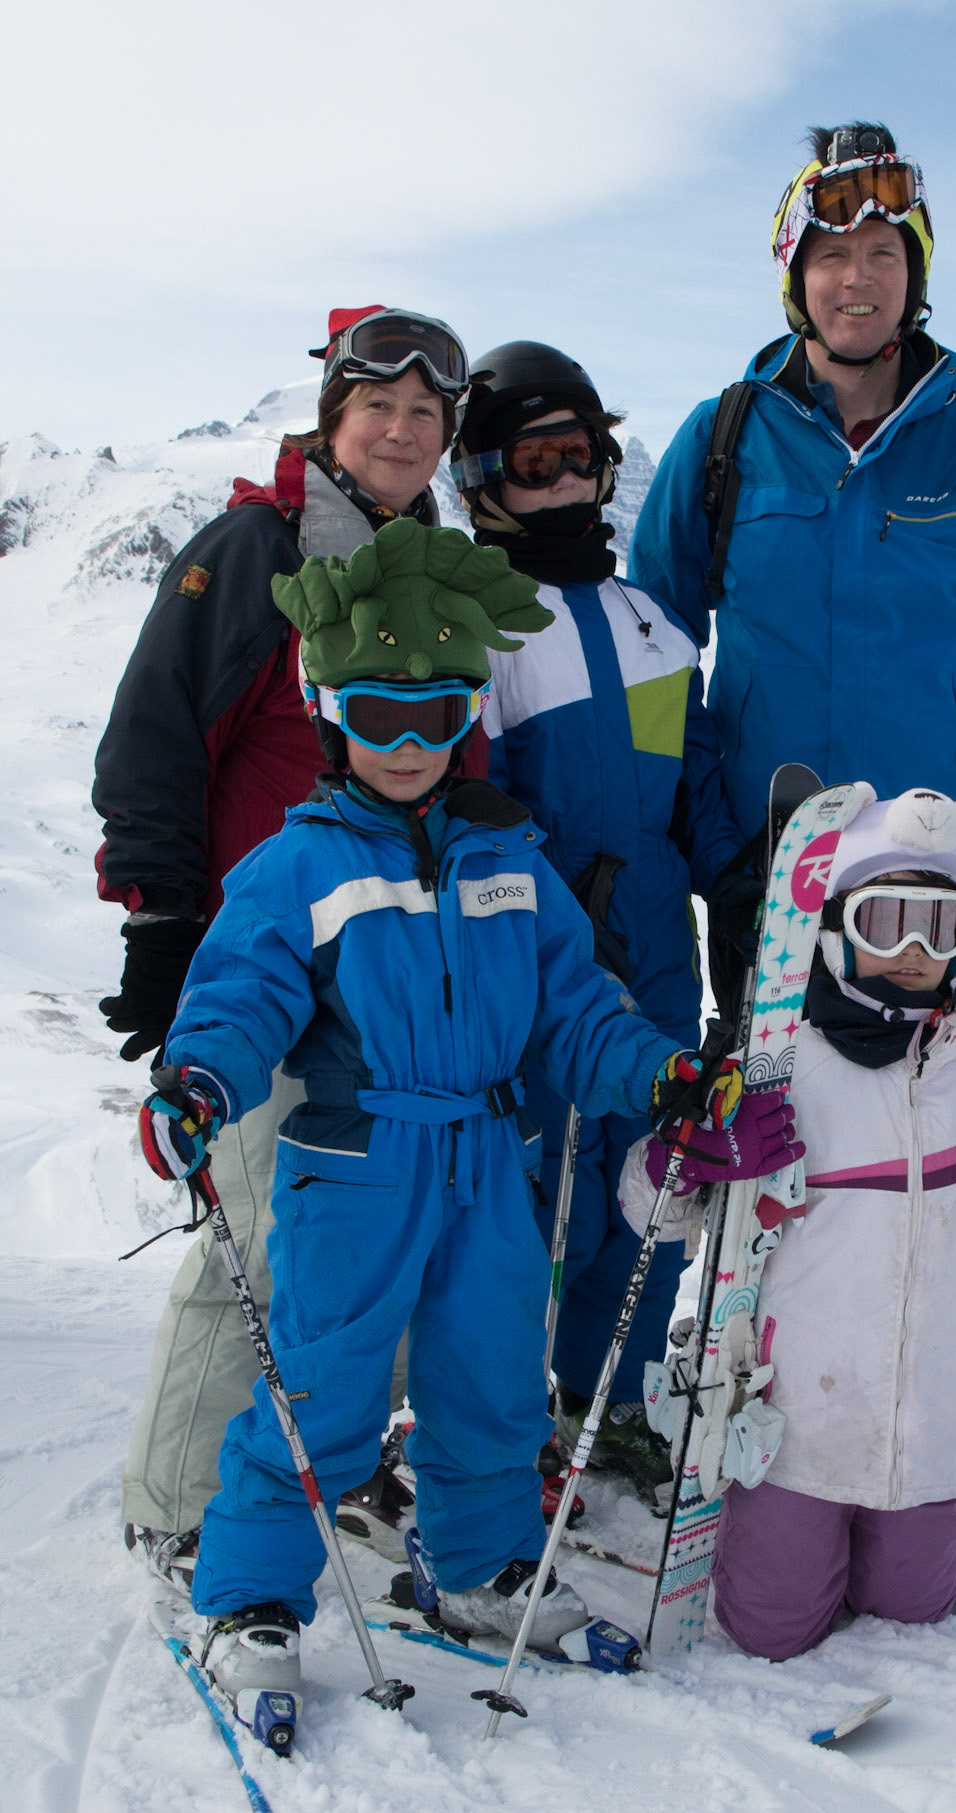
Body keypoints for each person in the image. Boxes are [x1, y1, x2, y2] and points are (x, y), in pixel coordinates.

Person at [136, 518, 793, 1704]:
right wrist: (199, 1082)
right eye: (379, 716)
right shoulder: (302, 863)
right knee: (323, 1384)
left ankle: (477, 1562)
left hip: (495, 1159)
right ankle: (250, 1593)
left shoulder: (512, 862)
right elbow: (241, 995)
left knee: (491, 1376)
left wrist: (658, 1075)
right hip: (358, 1162)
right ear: (334, 715)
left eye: (436, 716)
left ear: (464, 722)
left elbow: (576, 1009)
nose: (408, 744)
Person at [96, 307, 471, 1587]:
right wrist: (160, 920)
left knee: (383, 1231)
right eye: (380, 407)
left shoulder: (433, 567)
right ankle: (181, 1497)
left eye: (427, 415)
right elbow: (154, 732)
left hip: (391, 964)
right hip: (263, 953)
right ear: (333, 415)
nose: (402, 431)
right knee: (259, 1237)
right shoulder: (252, 547)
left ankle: (337, 1457)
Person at [619, 788, 956, 1662]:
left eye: (940, 924)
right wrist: (691, 1155)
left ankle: (893, 1548)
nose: (914, 951)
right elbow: (654, 1211)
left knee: (911, 1612)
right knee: (771, 1632)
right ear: (836, 926)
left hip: (933, 1425)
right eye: (887, 921)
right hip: (796, 1428)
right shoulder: (775, 1067)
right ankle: (774, 1542)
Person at [628, 122, 956, 975]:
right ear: (796, 276)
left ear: (915, 277)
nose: (858, 278)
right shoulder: (724, 437)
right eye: (831, 253)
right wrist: (709, 841)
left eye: (884, 251)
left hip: (932, 877)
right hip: (767, 876)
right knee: (765, 1112)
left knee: (925, 1107)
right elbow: (652, 659)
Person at [451, 343, 746, 1498]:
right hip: (538, 970)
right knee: (536, 1199)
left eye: (586, 453)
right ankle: (504, 1418)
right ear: (484, 476)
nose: (569, 478)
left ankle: (610, 1400)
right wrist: (541, 910)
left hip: (658, 960)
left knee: (649, 1181)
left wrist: (748, 879)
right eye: (539, 457)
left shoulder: (653, 623)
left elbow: (700, 791)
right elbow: (464, 799)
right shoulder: (475, 624)